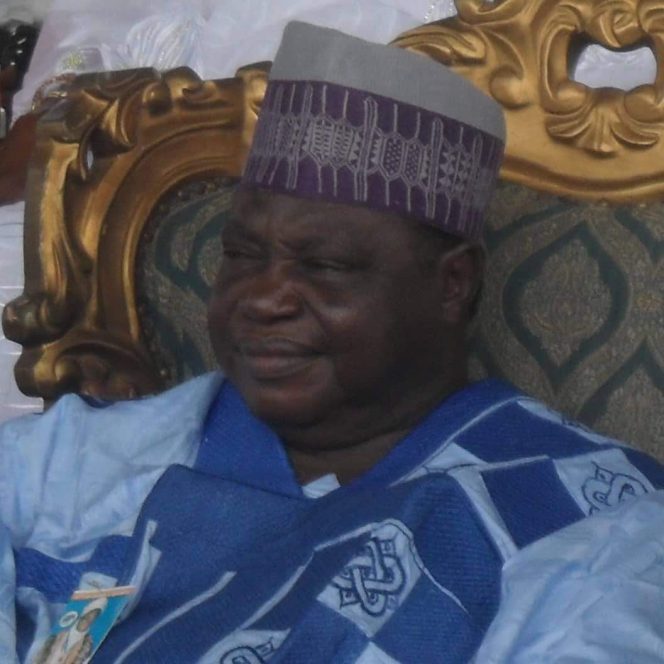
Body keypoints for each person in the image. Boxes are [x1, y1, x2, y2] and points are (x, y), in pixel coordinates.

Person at [1, 21, 663, 663]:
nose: (263, 298)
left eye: (324, 266)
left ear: (453, 284)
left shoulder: (589, 519)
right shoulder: (83, 453)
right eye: (241, 254)